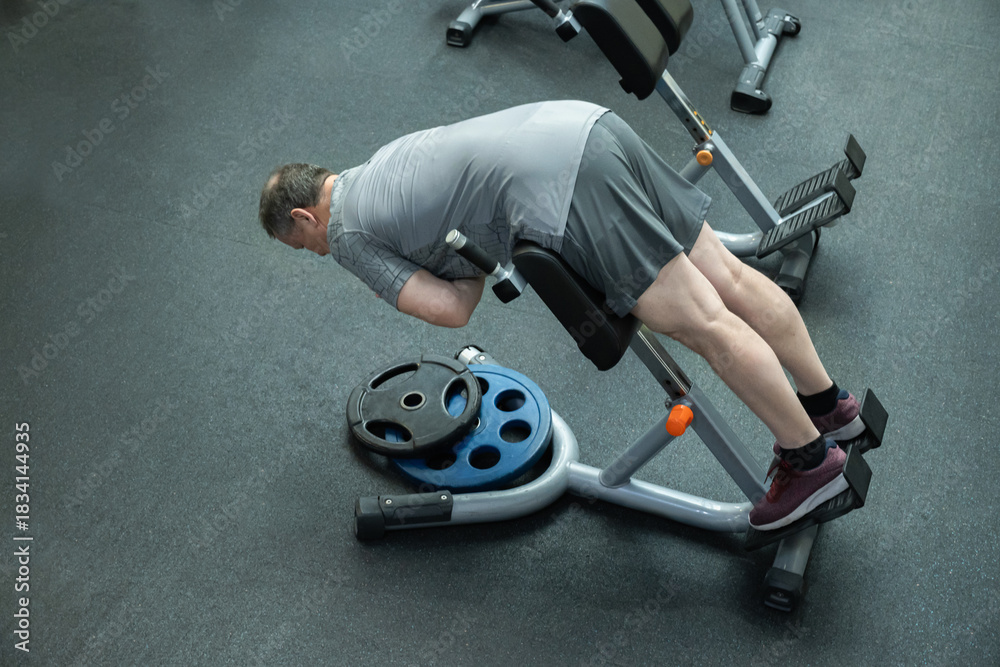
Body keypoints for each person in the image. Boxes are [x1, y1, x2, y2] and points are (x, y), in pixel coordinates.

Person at [257, 100, 864, 531]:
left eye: (303, 246)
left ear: (308, 219)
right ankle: (828, 406)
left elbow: (448, 311)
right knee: (731, 278)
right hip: (589, 125)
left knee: (704, 323)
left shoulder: (348, 235)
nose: (316, 255)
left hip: (564, 185)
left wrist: (470, 267)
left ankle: (810, 461)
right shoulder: (378, 163)